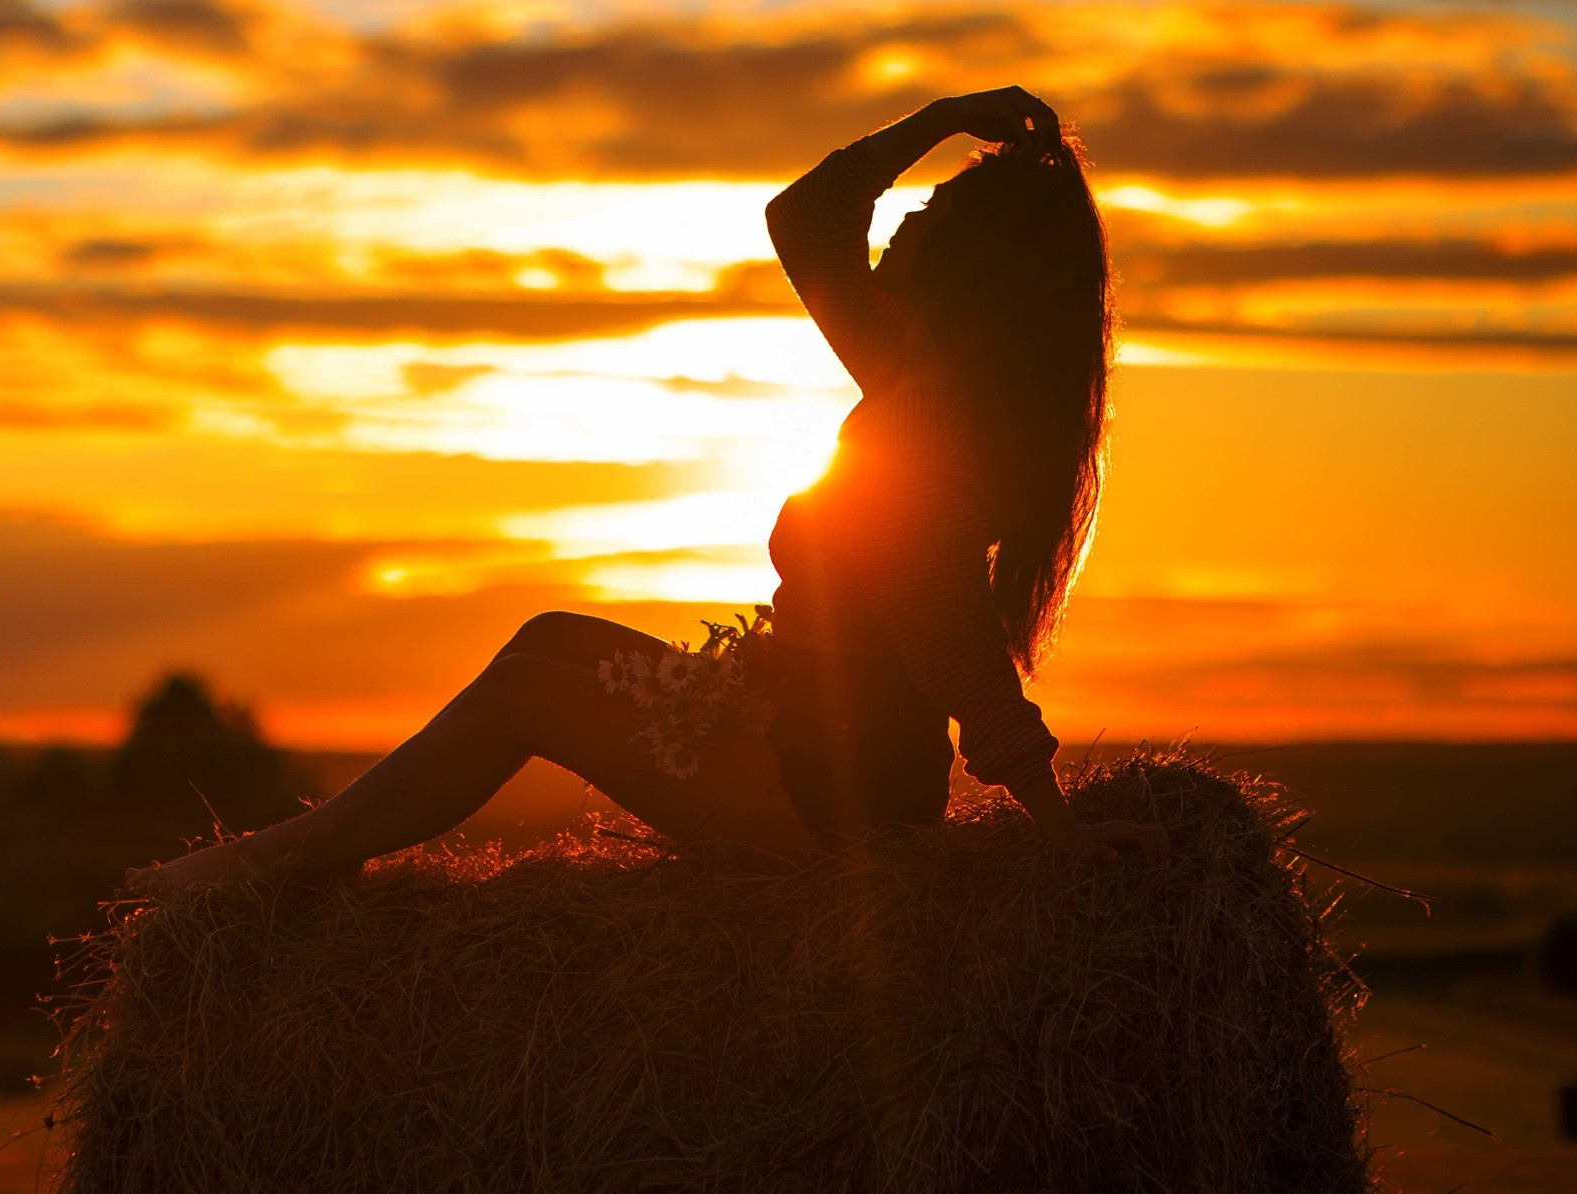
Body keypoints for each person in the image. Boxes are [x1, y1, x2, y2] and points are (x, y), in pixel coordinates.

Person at [133, 86, 1169, 896]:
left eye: (925, 222)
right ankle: (318, 851)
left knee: (528, 692)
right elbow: (806, 219)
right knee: (548, 638)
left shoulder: (934, 427)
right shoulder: (907, 367)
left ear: (968, 274)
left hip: (836, 792)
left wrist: (1055, 823)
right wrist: (939, 119)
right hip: (797, 725)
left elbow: (953, 647)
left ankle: (281, 864)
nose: (895, 230)